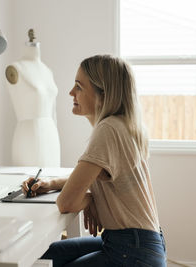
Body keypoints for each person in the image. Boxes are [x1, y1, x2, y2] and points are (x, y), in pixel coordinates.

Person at [22, 55, 166, 266]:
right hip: (136, 244)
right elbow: (90, 177)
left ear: (102, 95)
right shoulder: (121, 125)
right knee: (40, 255)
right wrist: (51, 184)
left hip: (132, 252)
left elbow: (66, 203)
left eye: (79, 87)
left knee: (37, 259)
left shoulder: (108, 129)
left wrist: (90, 199)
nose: (71, 92)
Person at [5, 29, 60, 167]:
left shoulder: (48, 70)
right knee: (29, 184)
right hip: (30, 137)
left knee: (53, 184)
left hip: (51, 136)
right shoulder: (15, 68)